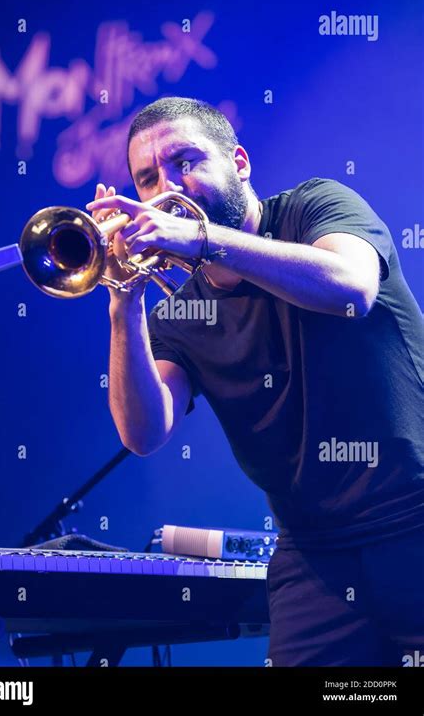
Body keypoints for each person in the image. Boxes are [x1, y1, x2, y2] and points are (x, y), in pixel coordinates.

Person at [86, 96, 424, 666]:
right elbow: (143, 432)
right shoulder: (181, 312)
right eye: (148, 179)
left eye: (185, 162)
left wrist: (203, 241)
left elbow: (351, 287)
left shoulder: (317, 206)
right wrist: (124, 300)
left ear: (239, 163)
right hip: (313, 557)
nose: (169, 186)